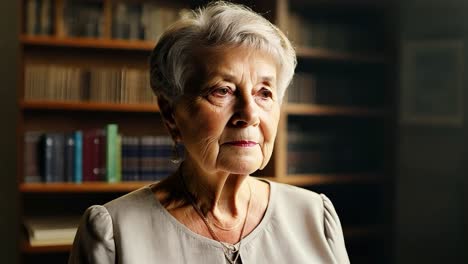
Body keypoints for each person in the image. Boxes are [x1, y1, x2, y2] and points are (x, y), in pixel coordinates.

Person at [69, 1, 349, 263]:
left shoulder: (314, 216)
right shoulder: (114, 233)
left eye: (264, 93)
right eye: (222, 91)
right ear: (171, 114)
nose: (249, 115)